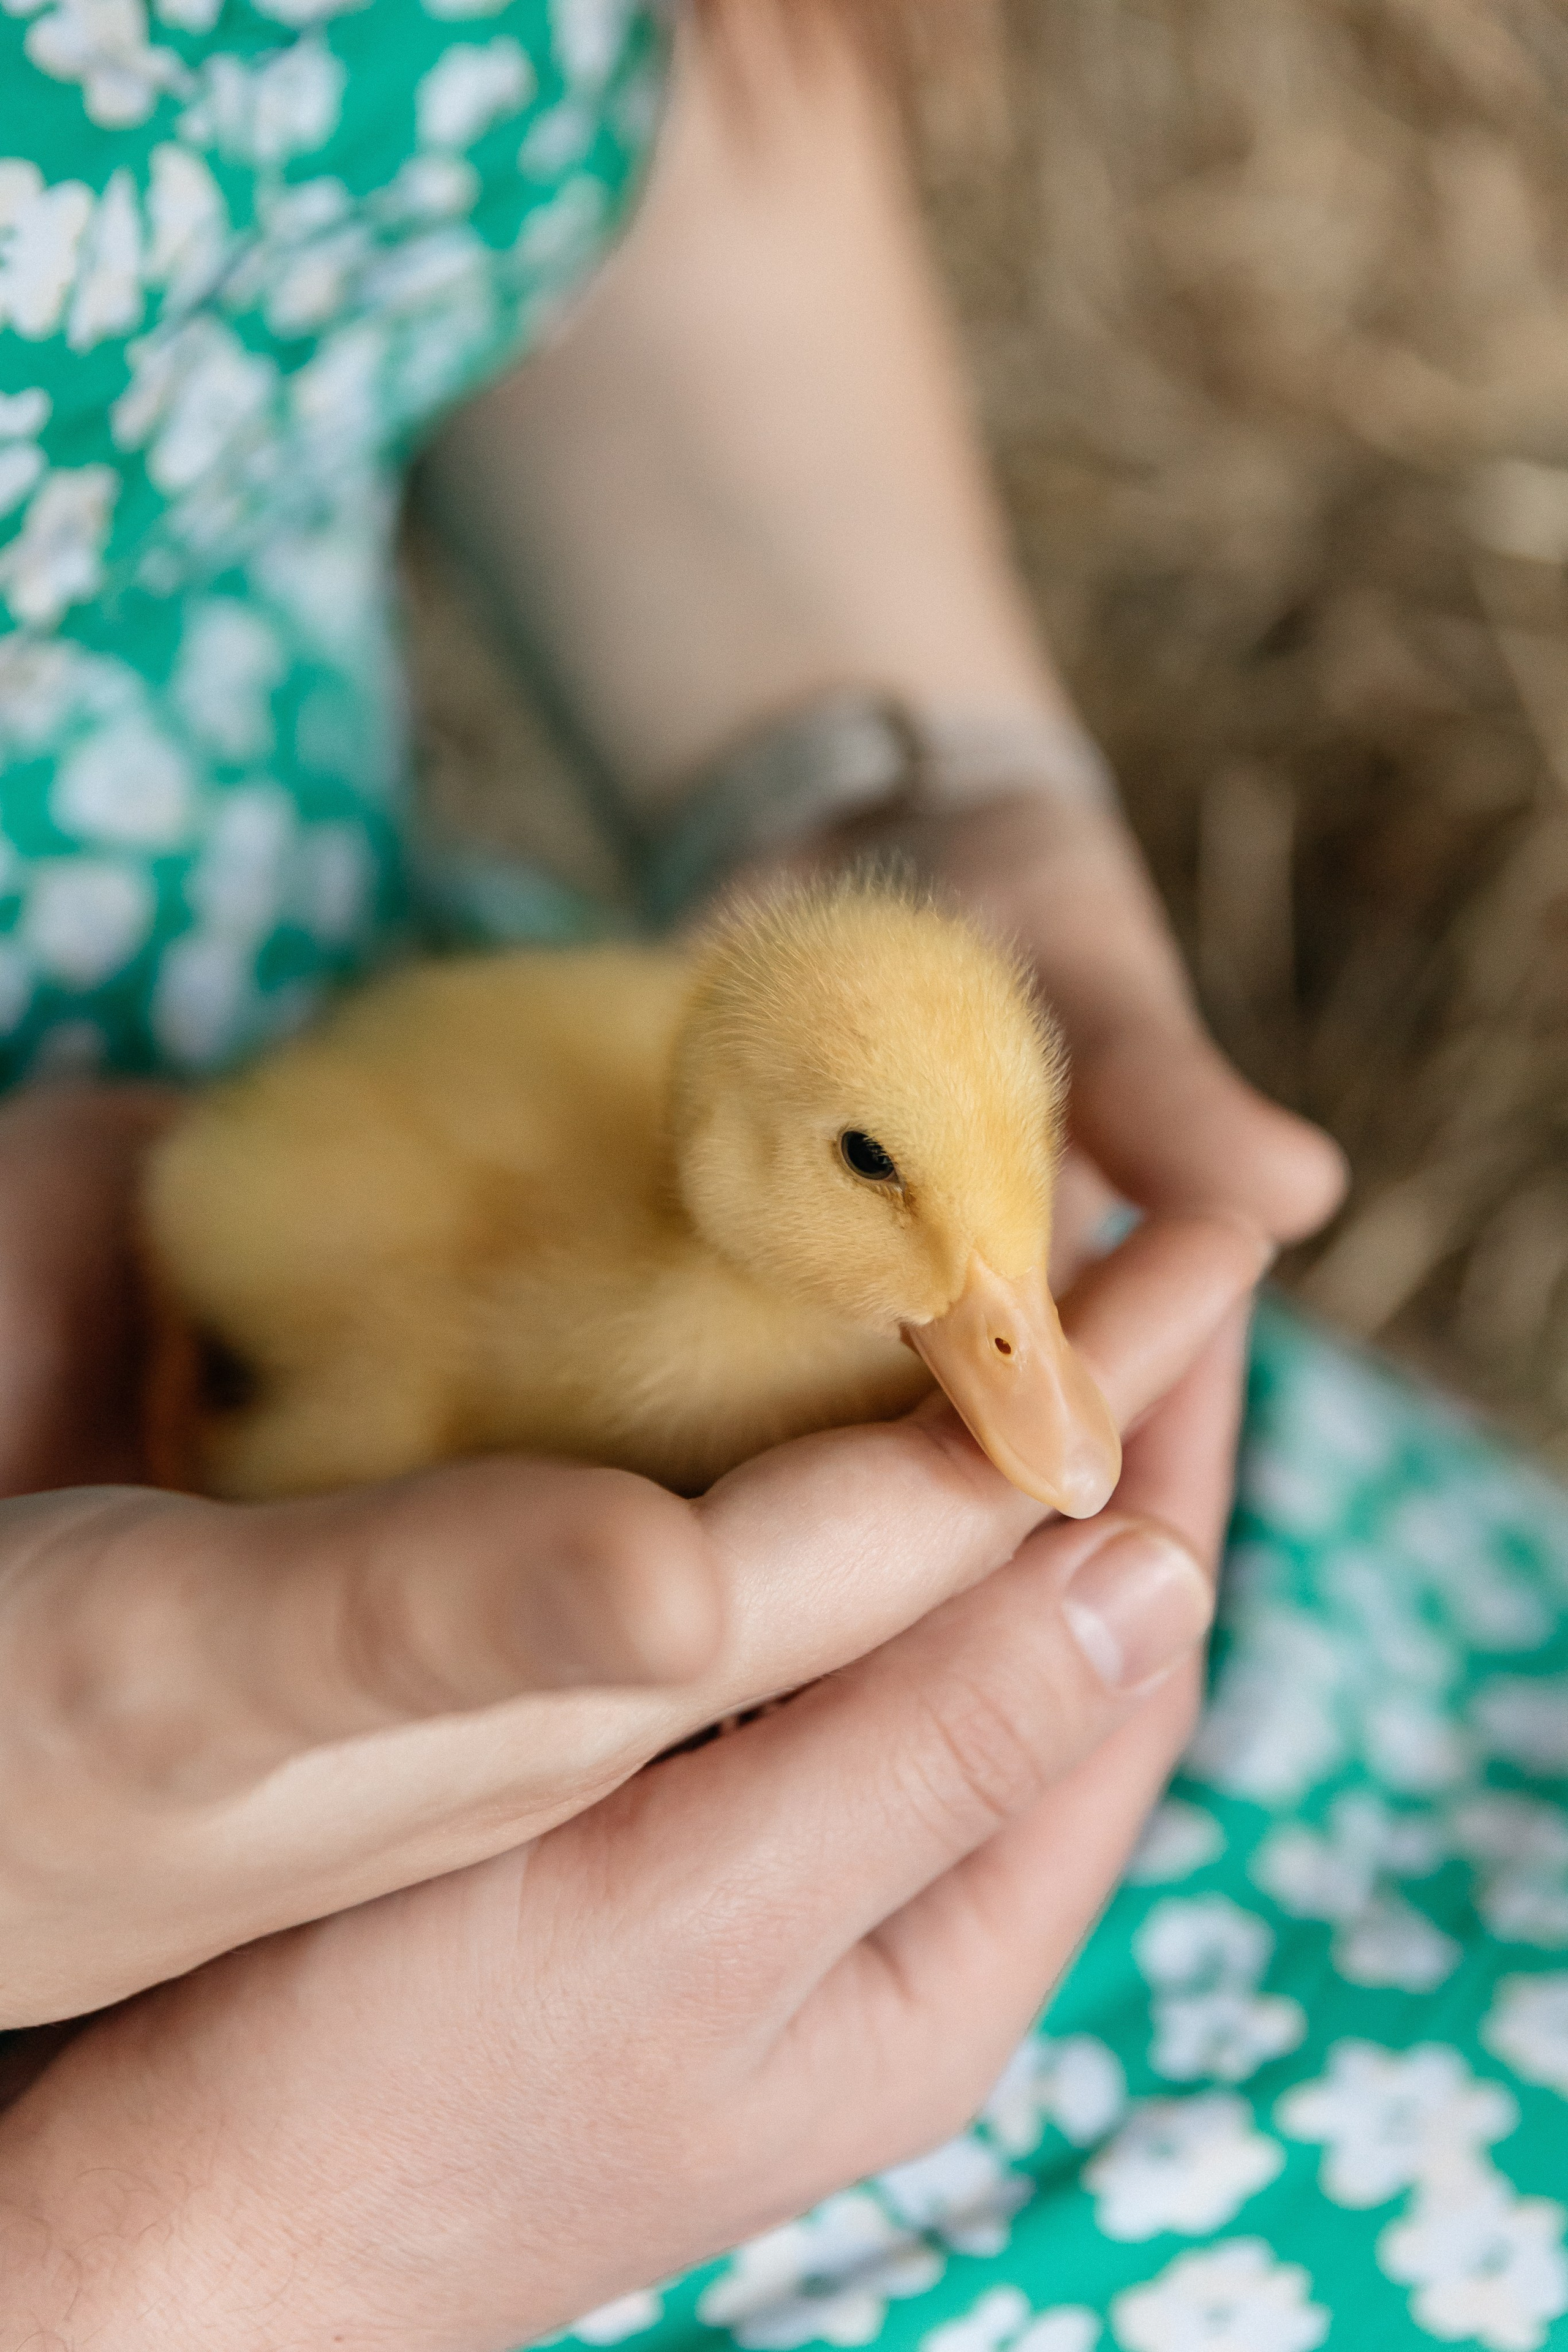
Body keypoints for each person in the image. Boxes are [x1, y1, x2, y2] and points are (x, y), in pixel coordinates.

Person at [9, 6, 1560, 2349]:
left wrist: (860, 763)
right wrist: (164, 2258)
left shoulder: (751, 1156)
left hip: (345, 1021)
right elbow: (280, 1291)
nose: (1000, 1293)